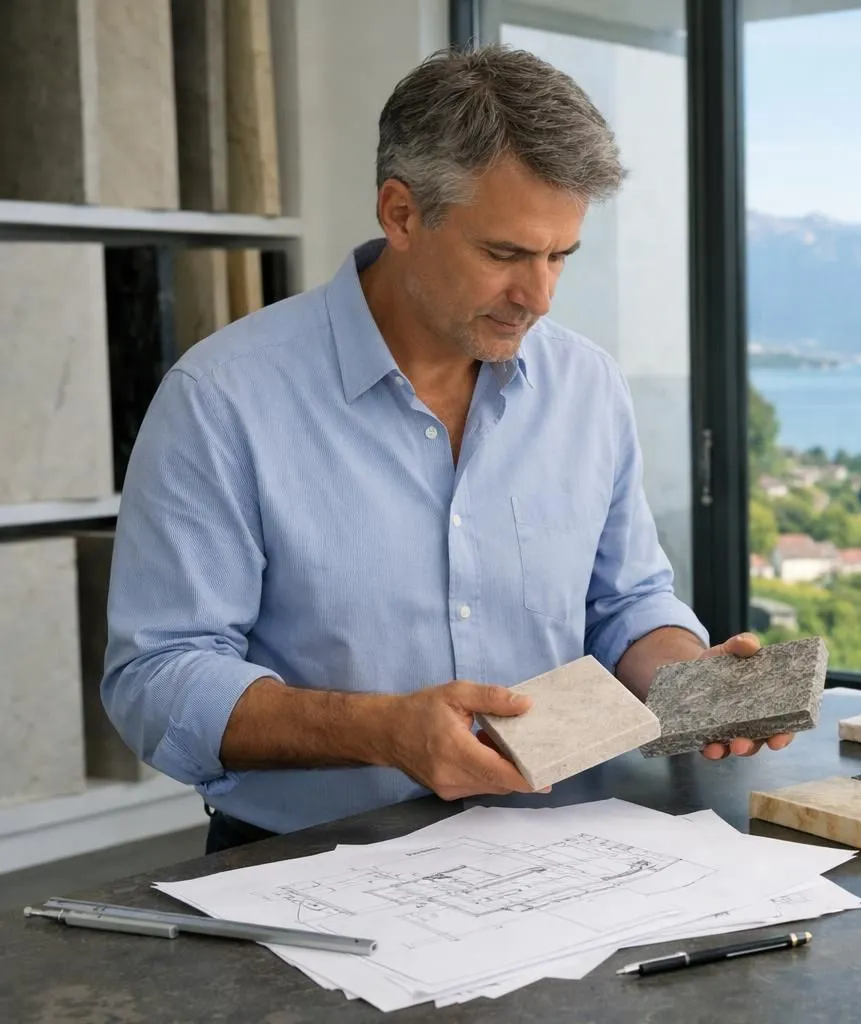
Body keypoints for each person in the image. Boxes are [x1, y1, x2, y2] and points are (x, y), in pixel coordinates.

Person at [102, 46, 791, 855]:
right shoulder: (221, 399)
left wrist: (691, 681)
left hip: (569, 854)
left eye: (559, 256)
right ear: (400, 214)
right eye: (504, 255)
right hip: (306, 865)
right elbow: (158, 678)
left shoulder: (588, 386)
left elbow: (626, 604)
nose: (538, 297)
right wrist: (383, 729)